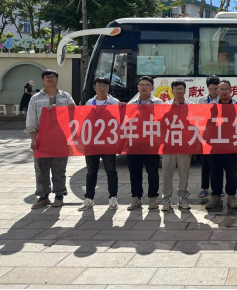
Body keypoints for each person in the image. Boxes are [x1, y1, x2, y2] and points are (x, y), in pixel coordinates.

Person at [26, 69, 75, 209]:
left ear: (57, 79)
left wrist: (70, 108)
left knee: (59, 169)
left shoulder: (66, 96)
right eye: (47, 77)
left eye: (53, 77)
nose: (50, 79)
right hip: (42, 139)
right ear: (43, 80)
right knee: (41, 169)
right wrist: (33, 139)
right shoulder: (35, 98)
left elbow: (74, 116)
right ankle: (43, 196)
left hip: (61, 139)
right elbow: (31, 119)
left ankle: (59, 195)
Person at [79, 78, 121, 211]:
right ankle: (89, 198)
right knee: (91, 171)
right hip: (92, 142)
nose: (102, 88)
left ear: (108, 88)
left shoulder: (115, 102)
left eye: (105, 86)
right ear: (94, 87)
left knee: (111, 170)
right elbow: (83, 120)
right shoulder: (89, 102)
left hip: (108, 142)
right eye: (99, 85)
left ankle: (113, 197)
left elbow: (120, 120)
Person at [126, 76, 164, 211]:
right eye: (141, 85)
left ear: (152, 88)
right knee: (134, 172)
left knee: (152, 172)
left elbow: (163, 120)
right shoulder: (131, 104)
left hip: (151, 142)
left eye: (147, 85)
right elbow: (125, 122)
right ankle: (136, 198)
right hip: (134, 143)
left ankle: (153, 198)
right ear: (137, 87)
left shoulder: (158, 103)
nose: (144, 87)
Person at [205, 80, 237, 210]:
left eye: (226, 89)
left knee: (231, 173)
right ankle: (215, 196)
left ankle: (231, 196)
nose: (224, 92)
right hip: (215, 145)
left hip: (231, 145)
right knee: (215, 172)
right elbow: (205, 124)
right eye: (221, 89)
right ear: (217, 91)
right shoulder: (211, 106)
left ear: (231, 91)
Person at [160, 80, 193, 212]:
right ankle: (167, 199)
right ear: (172, 91)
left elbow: (195, 122)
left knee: (184, 173)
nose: (179, 91)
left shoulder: (191, 105)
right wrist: (170, 109)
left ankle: (183, 198)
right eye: (176, 89)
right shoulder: (165, 105)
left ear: (185, 90)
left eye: (181, 89)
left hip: (184, 144)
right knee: (166, 173)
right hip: (168, 144)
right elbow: (159, 122)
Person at [197, 75, 221, 200]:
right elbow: (198, 116)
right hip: (205, 135)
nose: (214, 91)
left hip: (220, 136)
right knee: (205, 163)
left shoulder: (223, 99)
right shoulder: (202, 100)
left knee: (218, 163)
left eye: (216, 89)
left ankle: (218, 188)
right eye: (211, 89)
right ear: (207, 88)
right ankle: (205, 187)